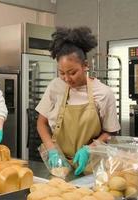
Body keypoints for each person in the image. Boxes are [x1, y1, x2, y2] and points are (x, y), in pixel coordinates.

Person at [35, 27, 121, 176]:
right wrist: (52, 150)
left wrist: (90, 149)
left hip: (91, 165)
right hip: (59, 166)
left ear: (85, 65)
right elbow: (41, 123)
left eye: (72, 72)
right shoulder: (55, 87)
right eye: (61, 73)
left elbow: (110, 132)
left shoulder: (103, 93)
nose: (67, 79)